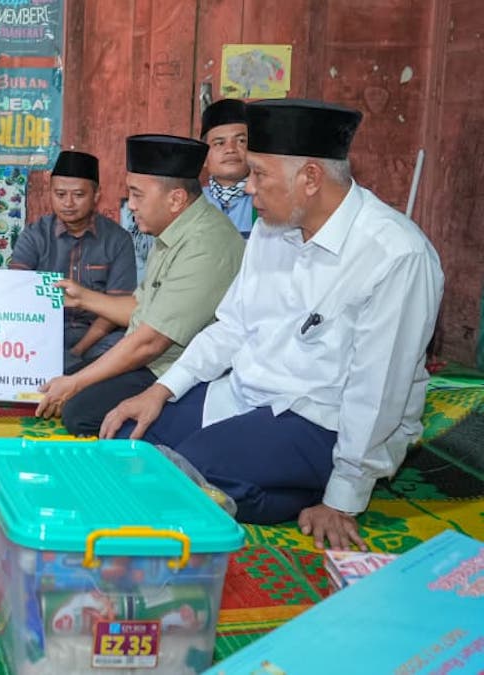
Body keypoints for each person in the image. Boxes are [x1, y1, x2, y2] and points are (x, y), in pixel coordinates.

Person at [100, 100, 445, 551]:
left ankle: (313, 490)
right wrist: (159, 391)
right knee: (129, 445)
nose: (247, 188)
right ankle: (271, 479)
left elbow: (378, 392)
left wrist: (343, 499)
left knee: (182, 476)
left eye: (259, 174)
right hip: (245, 394)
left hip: (323, 418)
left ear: (310, 178)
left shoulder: (396, 254)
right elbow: (231, 328)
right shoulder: (271, 228)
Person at [35, 135, 244, 435]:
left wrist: (76, 384)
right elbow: (141, 308)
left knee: (78, 410)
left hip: (175, 371)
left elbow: (151, 341)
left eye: (137, 194)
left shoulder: (207, 243)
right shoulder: (174, 228)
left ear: (175, 199)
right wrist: (82, 298)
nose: (130, 205)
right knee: (64, 380)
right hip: (151, 357)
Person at [10, 151, 136, 374]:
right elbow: (16, 294)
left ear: (96, 195)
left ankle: (69, 372)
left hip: (96, 338)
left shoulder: (118, 240)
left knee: (126, 345)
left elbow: (117, 307)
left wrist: (77, 351)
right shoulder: (34, 235)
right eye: (60, 194)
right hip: (43, 334)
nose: (68, 203)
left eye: (78, 195)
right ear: (50, 193)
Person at [200, 98, 256, 236]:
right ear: (204, 157)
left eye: (241, 141)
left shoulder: (265, 202)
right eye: (219, 143)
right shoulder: (193, 202)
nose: (230, 149)